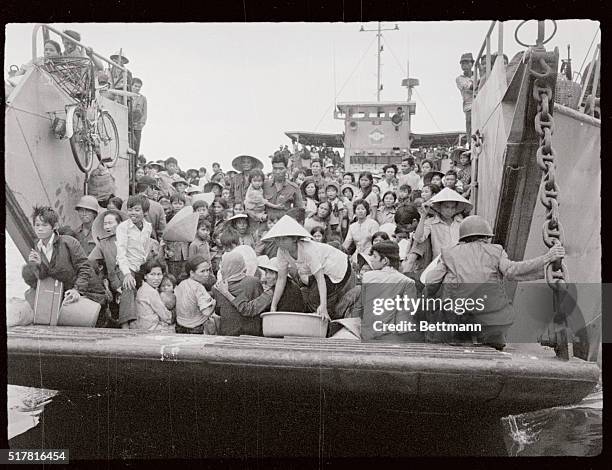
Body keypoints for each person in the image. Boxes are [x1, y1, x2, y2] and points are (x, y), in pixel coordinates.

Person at [424, 215, 566, 349]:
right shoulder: (496, 251)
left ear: (462, 237)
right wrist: (546, 259)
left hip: (458, 318)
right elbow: (512, 271)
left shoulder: (449, 253)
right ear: (486, 237)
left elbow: (431, 281)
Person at [264, 215, 356, 321]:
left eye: (283, 239)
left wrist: (324, 307)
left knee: (316, 299)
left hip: (338, 267)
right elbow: (281, 279)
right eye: (277, 239)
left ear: (294, 239)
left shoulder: (308, 250)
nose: (279, 242)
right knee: (311, 296)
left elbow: (320, 279)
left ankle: (327, 322)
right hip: (320, 271)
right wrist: (273, 306)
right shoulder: (282, 251)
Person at [22, 206, 106, 314]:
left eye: (44, 225)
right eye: (37, 225)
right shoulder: (38, 246)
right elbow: (46, 276)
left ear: (55, 226)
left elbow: (85, 267)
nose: (40, 229)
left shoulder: (69, 242)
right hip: (64, 293)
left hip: (89, 293)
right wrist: (39, 265)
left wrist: (77, 290)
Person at [357, 241, 420, 342]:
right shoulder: (407, 282)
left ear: (385, 260)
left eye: (374, 256)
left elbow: (361, 306)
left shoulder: (367, 277)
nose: (371, 259)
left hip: (366, 334)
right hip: (390, 337)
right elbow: (405, 316)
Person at [115, 195, 155, 328]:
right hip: (125, 265)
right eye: (130, 209)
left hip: (141, 265)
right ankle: (126, 326)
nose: (133, 213)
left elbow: (145, 247)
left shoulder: (148, 227)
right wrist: (127, 274)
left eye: (137, 210)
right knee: (128, 286)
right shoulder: (123, 227)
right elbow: (121, 253)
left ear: (145, 212)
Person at [210, 251, 266, 336]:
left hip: (228, 334)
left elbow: (218, 311)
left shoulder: (216, 288)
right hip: (252, 333)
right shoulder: (253, 282)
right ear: (242, 265)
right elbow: (261, 307)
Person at [413, 187, 472, 260]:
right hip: (440, 263)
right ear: (439, 207)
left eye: (452, 208)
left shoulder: (460, 222)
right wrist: (423, 216)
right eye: (446, 207)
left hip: (459, 261)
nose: (449, 211)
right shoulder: (431, 223)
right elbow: (418, 238)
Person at [174, 256, 218, 334]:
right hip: (196, 327)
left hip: (180, 326)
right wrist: (214, 303)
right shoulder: (199, 287)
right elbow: (206, 312)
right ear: (192, 273)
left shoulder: (182, 284)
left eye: (207, 270)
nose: (206, 274)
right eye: (202, 271)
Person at [133, 258, 174, 331]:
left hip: (142, 326)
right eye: (152, 274)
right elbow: (166, 317)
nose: (156, 278)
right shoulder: (151, 291)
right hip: (151, 329)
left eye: (159, 274)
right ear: (145, 276)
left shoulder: (143, 288)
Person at [122, 176, 167, 241]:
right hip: (150, 245)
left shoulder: (125, 204)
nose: (156, 192)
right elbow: (162, 232)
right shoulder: (157, 206)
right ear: (148, 188)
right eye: (154, 189)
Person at [263, 154, 304, 220]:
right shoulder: (264, 185)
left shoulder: (294, 188)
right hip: (267, 225)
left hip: (284, 225)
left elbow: (299, 211)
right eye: (275, 168)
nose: (278, 172)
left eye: (281, 169)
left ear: (286, 169)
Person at [456, 53, 475, 138]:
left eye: (467, 62)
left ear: (472, 64)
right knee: (470, 123)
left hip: (482, 102)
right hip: (469, 106)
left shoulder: (478, 75)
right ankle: (470, 143)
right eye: (462, 63)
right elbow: (471, 87)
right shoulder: (460, 79)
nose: (464, 65)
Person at [130, 78, 147, 157]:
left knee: (136, 145)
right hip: (127, 123)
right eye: (135, 86)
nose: (137, 88)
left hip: (137, 126)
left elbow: (144, 112)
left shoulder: (142, 98)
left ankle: (135, 164)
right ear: (131, 85)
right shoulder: (127, 95)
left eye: (139, 87)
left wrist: (142, 123)